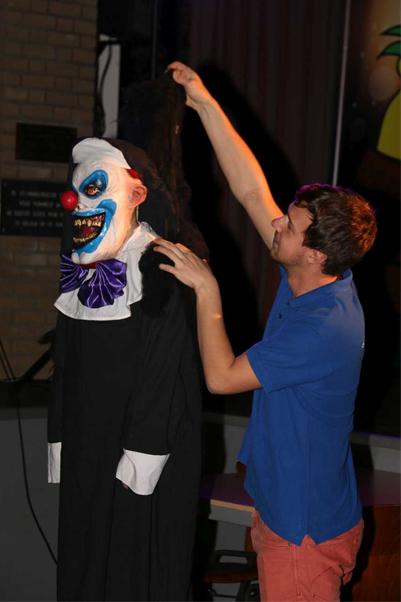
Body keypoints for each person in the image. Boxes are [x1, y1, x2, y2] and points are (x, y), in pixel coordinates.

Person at [154, 61, 377, 602]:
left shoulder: (324, 327)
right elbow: (252, 191)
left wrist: (207, 291)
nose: (277, 222)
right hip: (294, 512)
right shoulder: (312, 276)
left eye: (290, 226)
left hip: (303, 535)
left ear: (315, 253)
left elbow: (222, 378)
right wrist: (203, 101)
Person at [48, 137, 202, 601]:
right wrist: (59, 437)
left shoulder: (161, 266)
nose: (77, 203)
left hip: (140, 452)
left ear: (137, 194)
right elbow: (65, 363)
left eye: (94, 188)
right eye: (76, 191)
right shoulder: (77, 272)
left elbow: (165, 372)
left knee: (130, 567)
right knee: (83, 559)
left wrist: (143, 454)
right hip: (86, 447)